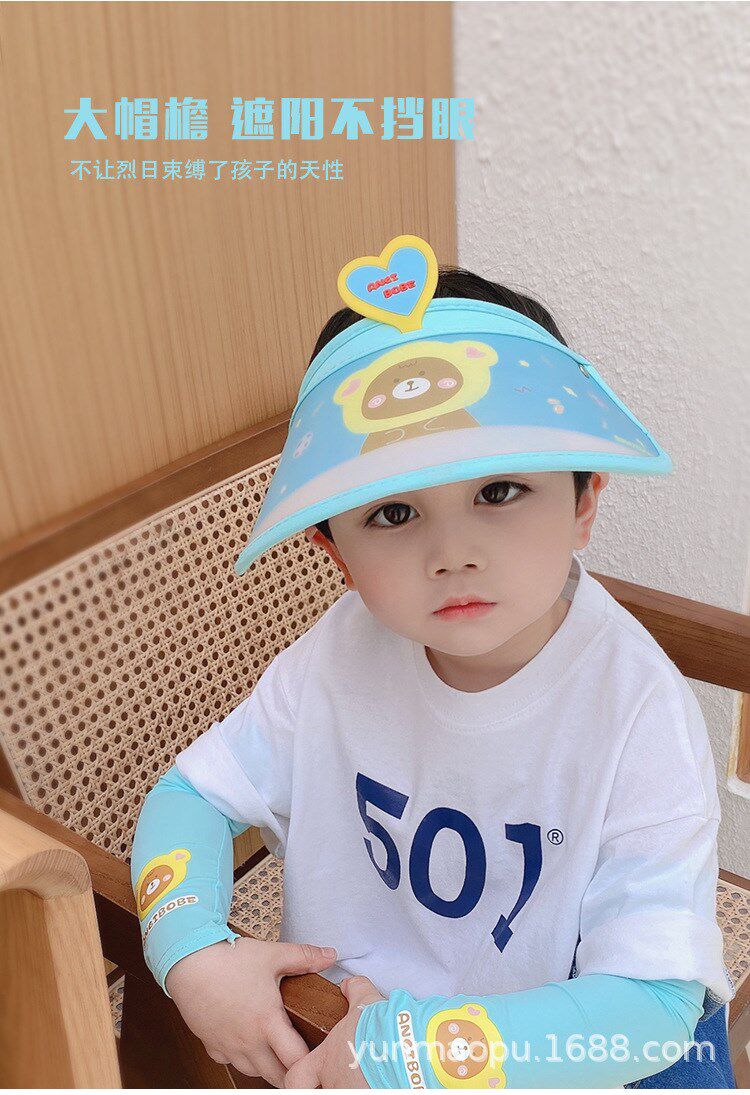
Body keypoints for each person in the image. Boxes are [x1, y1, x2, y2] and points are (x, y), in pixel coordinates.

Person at [130, 236, 736, 1088]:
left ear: (584, 501)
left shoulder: (636, 707)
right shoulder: (340, 652)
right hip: (340, 1039)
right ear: (334, 551)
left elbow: (654, 1005)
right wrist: (191, 949)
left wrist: (417, 1052)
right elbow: (189, 796)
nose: (452, 553)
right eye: (393, 512)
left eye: (498, 491)